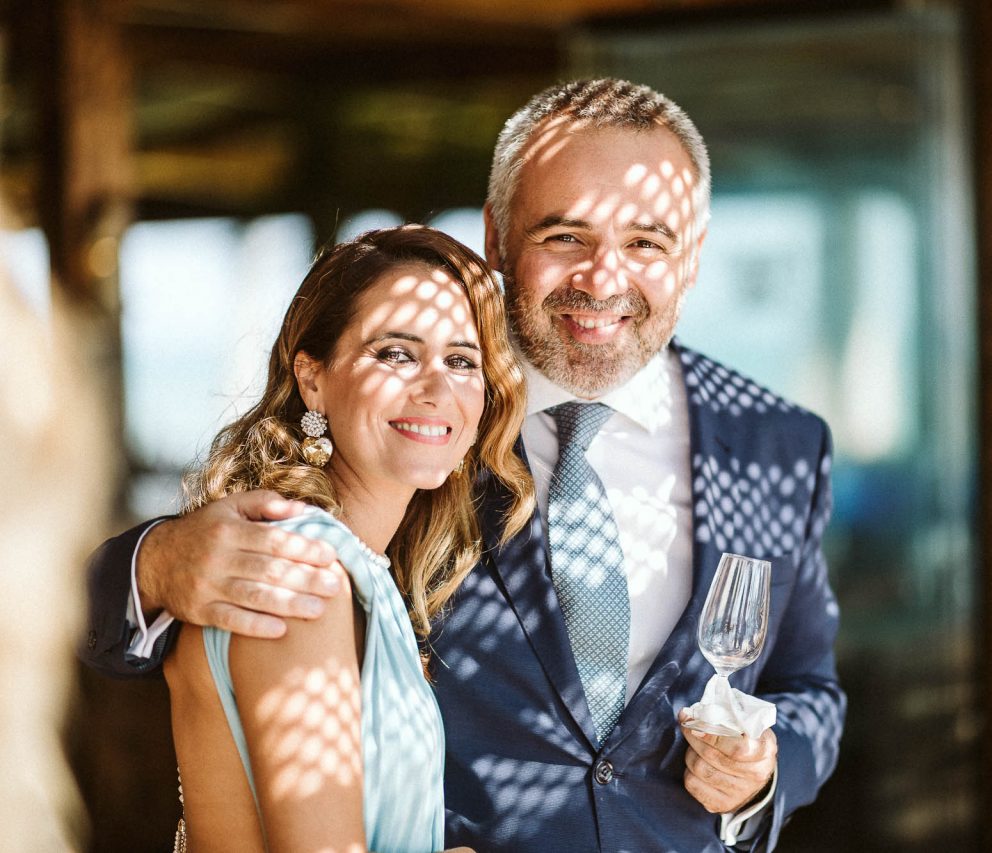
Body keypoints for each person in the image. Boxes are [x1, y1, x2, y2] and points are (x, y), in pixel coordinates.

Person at [82, 79, 845, 851]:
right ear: (498, 235)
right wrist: (155, 565)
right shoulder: (424, 428)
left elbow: (809, 684)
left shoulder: (777, 444)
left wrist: (767, 770)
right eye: (565, 236)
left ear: (692, 256)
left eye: (646, 241)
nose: (603, 278)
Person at [158, 225, 533, 851]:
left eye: (463, 360)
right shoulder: (299, 573)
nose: (437, 387)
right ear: (312, 379)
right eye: (395, 353)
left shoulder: (356, 568)